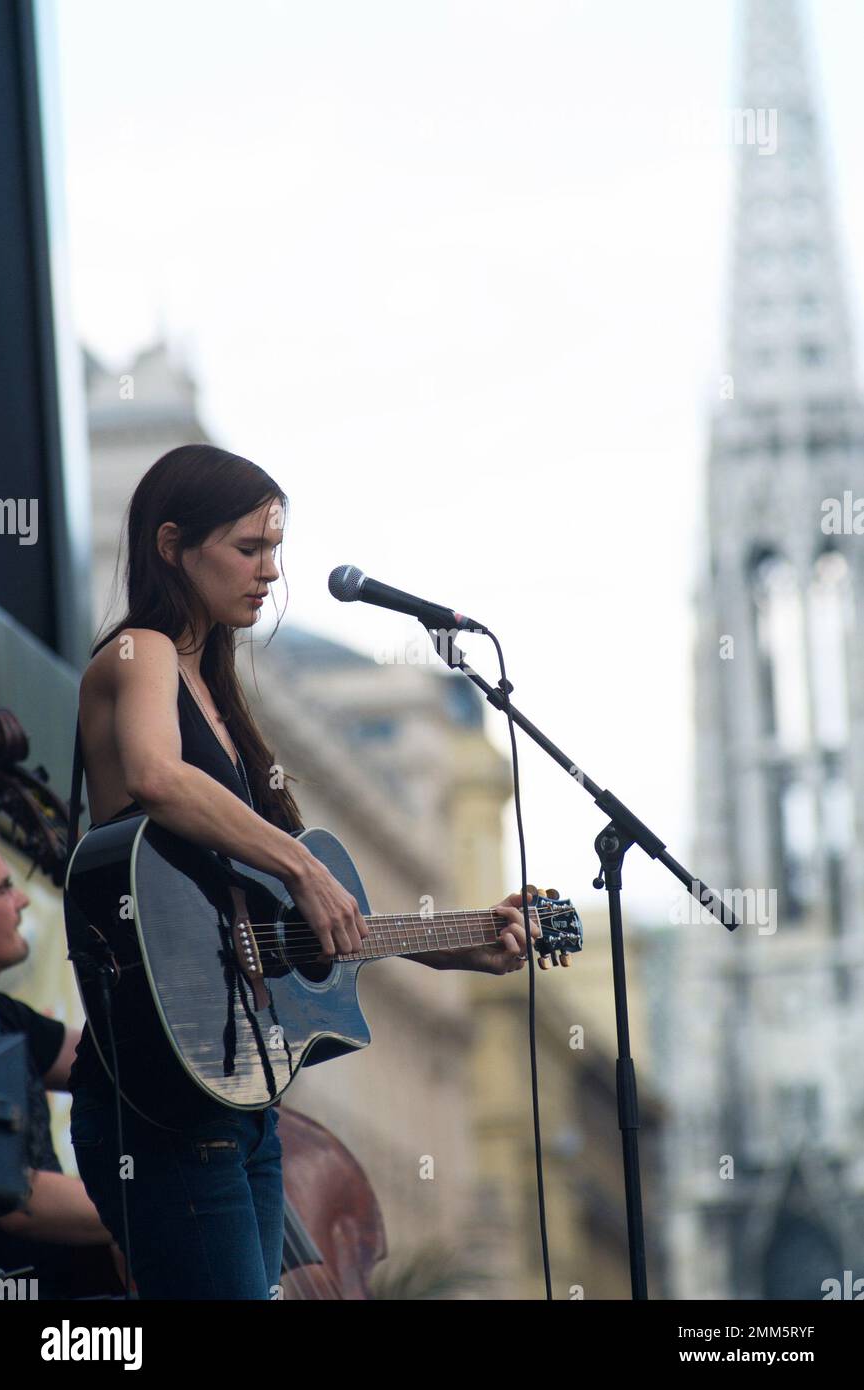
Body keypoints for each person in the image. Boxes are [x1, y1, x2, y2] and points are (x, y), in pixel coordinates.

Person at [69, 442, 538, 1301]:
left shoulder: (216, 686)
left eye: (275, 549)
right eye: (250, 549)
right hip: (160, 1107)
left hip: (240, 1103)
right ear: (172, 545)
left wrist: (465, 945)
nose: (271, 572)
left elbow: (304, 923)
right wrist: (300, 862)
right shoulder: (136, 655)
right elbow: (152, 777)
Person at [0, 834, 128, 1298]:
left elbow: (116, 1063)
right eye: (3, 889)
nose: (23, 898)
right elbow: (13, 1197)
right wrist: (151, 1206)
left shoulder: (5, 1016)